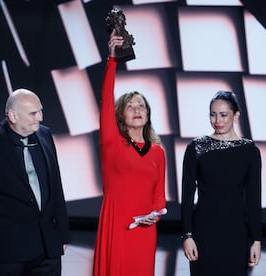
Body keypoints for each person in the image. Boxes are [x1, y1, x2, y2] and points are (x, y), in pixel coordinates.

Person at [0, 88, 70, 275]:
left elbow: (55, 186)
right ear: (12, 116)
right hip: (8, 251)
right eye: (33, 113)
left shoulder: (45, 135)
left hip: (47, 248)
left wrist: (61, 235)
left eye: (40, 111)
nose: (40, 117)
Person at [92, 32, 166, 276]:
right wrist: (112, 61)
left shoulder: (157, 152)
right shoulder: (113, 143)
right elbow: (105, 101)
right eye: (130, 106)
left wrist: (154, 216)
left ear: (148, 114)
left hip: (144, 232)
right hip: (117, 228)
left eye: (142, 105)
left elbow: (159, 196)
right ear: (120, 116)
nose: (137, 109)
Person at [181, 90, 262, 276]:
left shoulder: (249, 150)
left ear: (236, 115)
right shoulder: (196, 147)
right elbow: (187, 195)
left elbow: (253, 198)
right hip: (203, 231)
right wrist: (187, 235)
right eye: (213, 114)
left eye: (224, 114)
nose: (217, 120)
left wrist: (256, 240)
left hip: (236, 232)